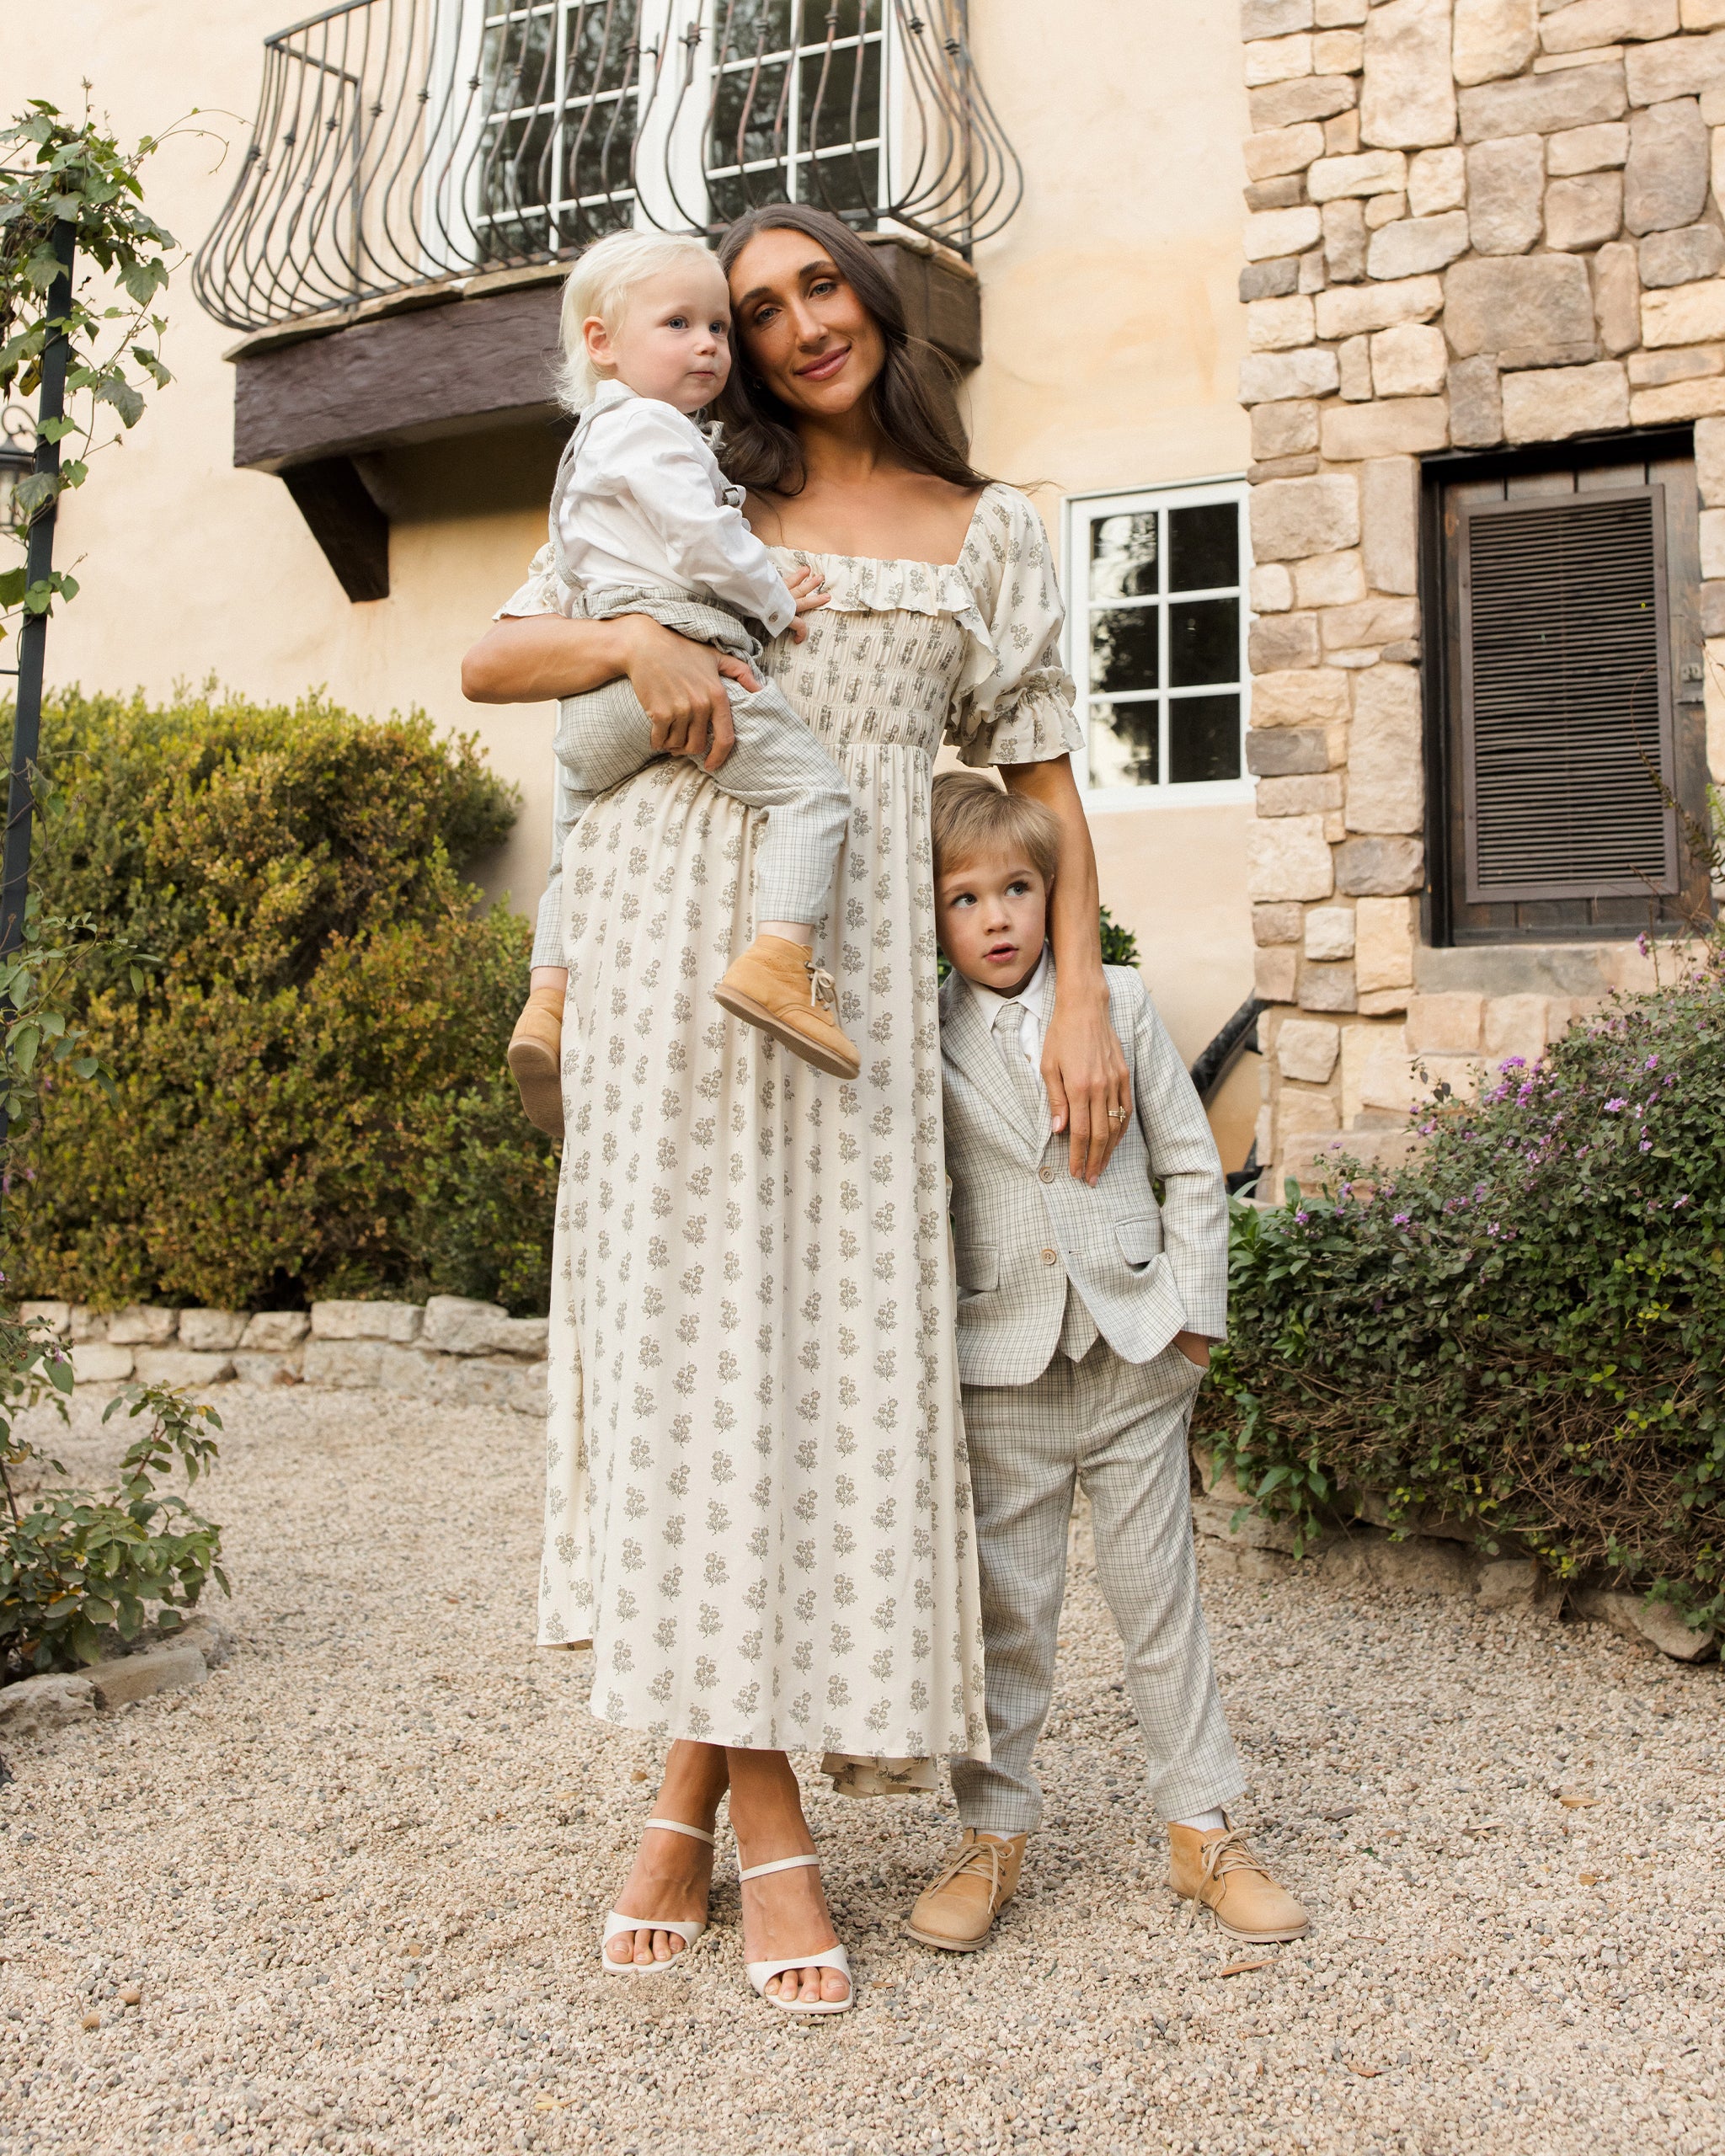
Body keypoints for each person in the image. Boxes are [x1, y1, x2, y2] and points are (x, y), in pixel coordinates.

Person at [462, 204, 1134, 2015]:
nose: (792, 325)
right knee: (692, 1378)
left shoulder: (990, 531)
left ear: (874, 301)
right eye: (752, 309)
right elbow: (495, 660)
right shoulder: (691, 485)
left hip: (850, 999)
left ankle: (677, 1802)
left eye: (817, 285)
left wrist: (1078, 992)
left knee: (816, 1387)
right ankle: (769, 1829)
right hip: (671, 959)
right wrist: (635, 645)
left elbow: (1043, 783)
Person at [906, 772, 1308, 1953]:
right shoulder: (922, 1034)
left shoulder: (1118, 1002)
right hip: (1003, 1365)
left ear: (1053, 895)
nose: (995, 917)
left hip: (1137, 1352)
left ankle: (1203, 1830)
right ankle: (990, 1833)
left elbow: (1191, 1165)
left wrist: (1194, 1324)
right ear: (932, 916)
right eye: (964, 898)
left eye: (1016, 890)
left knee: (1158, 1601)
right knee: (1010, 1614)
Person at [505, 227, 857, 1137]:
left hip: (593, 706)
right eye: (678, 324)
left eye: (719, 328)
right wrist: (772, 597)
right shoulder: (652, 429)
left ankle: (546, 1002)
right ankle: (778, 961)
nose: (708, 345)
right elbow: (703, 542)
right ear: (601, 341)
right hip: (681, 665)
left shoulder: (586, 449)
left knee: (569, 842)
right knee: (813, 794)